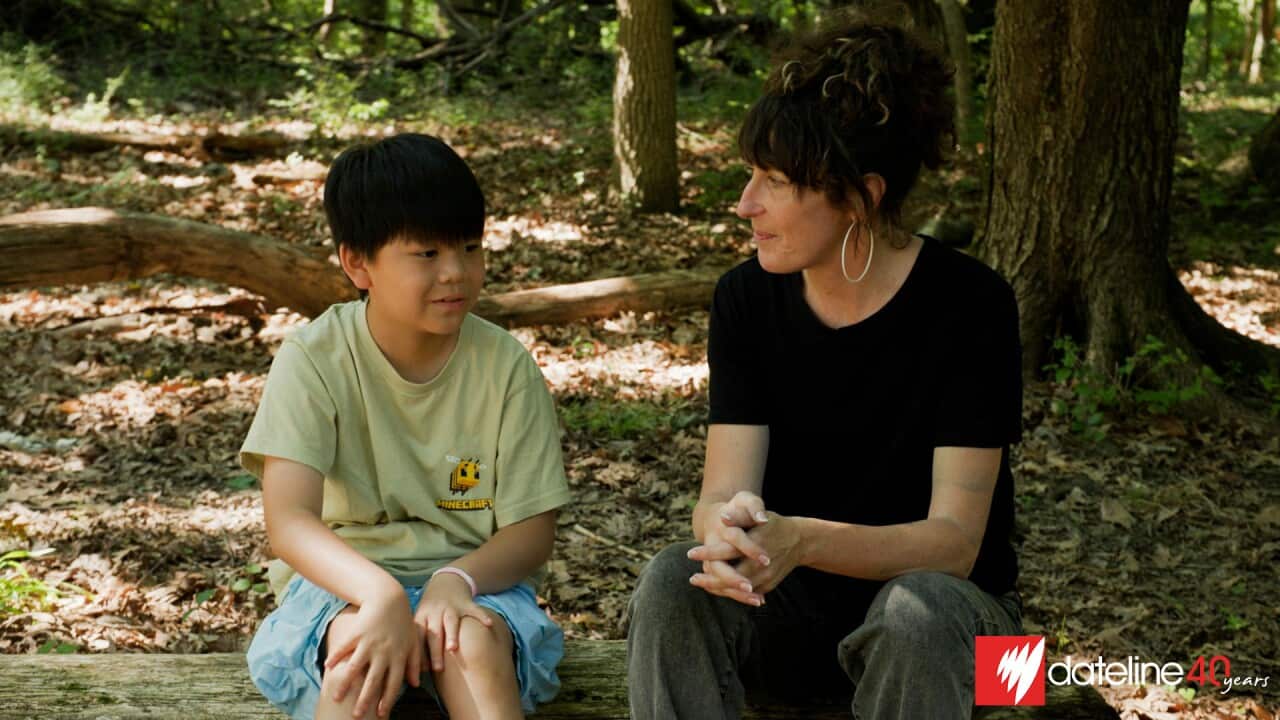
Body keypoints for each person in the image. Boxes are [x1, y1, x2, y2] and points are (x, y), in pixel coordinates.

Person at [626, 11, 1024, 720]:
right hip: (800, 624)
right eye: (751, 175)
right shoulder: (745, 298)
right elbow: (718, 494)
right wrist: (726, 524)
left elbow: (957, 548)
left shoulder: (973, 303)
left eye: (774, 181)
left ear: (861, 198)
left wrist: (800, 539)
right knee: (669, 580)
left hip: (984, 644)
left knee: (917, 609)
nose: (745, 204)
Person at [241, 133, 572, 720]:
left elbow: (529, 533)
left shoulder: (505, 366)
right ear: (357, 263)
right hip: (345, 586)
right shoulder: (316, 357)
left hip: (477, 585)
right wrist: (380, 594)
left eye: (471, 249)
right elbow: (289, 522)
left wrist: (454, 582)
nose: (456, 273)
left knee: (469, 644)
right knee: (354, 656)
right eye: (427, 254)